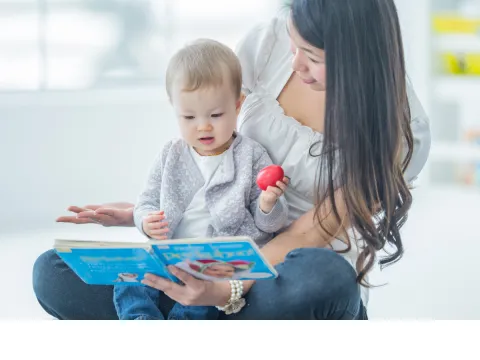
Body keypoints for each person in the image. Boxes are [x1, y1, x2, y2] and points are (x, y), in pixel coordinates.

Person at [33, 0, 431, 320]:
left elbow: (307, 234)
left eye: (311, 55)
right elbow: (211, 138)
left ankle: (191, 314)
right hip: (213, 247)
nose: (295, 64)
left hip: (284, 276)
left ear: (359, 56)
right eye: (294, 46)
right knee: (55, 271)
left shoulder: (398, 130)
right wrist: (146, 212)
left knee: (325, 277)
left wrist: (227, 285)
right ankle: (183, 317)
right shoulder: (269, 44)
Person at [114, 39, 289, 320]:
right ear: (174, 109)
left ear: (237, 105)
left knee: (200, 298)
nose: (203, 126)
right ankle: (140, 320)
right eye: (189, 116)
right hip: (171, 255)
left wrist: (269, 204)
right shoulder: (171, 154)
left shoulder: (251, 155)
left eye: (216, 115)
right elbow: (145, 201)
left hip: (220, 261)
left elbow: (269, 225)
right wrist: (146, 221)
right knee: (129, 277)